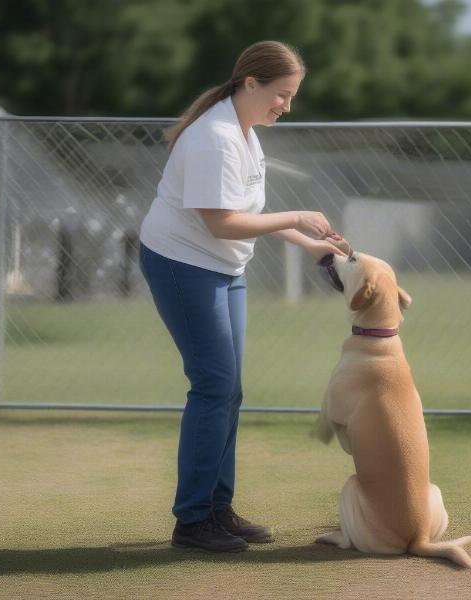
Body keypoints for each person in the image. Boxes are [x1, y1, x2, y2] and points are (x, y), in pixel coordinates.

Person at [139, 40, 348, 553]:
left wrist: (313, 247)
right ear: (250, 83)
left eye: (292, 96)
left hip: (223, 268)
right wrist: (299, 217)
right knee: (213, 386)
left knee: (228, 390)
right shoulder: (215, 137)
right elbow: (223, 223)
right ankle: (192, 522)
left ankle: (217, 510)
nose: (287, 106)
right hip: (183, 266)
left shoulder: (245, 131)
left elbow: (246, 211)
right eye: (282, 94)